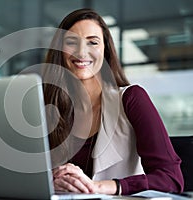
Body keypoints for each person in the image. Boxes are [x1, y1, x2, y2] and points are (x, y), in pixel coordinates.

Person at [42, 8, 184, 195]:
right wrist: (51, 180)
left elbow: (171, 178)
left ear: (105, 50)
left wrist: (101, 187)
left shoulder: (132, 98)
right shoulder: (47, 107)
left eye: (93, 42)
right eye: (71, 42)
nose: (82, 52)